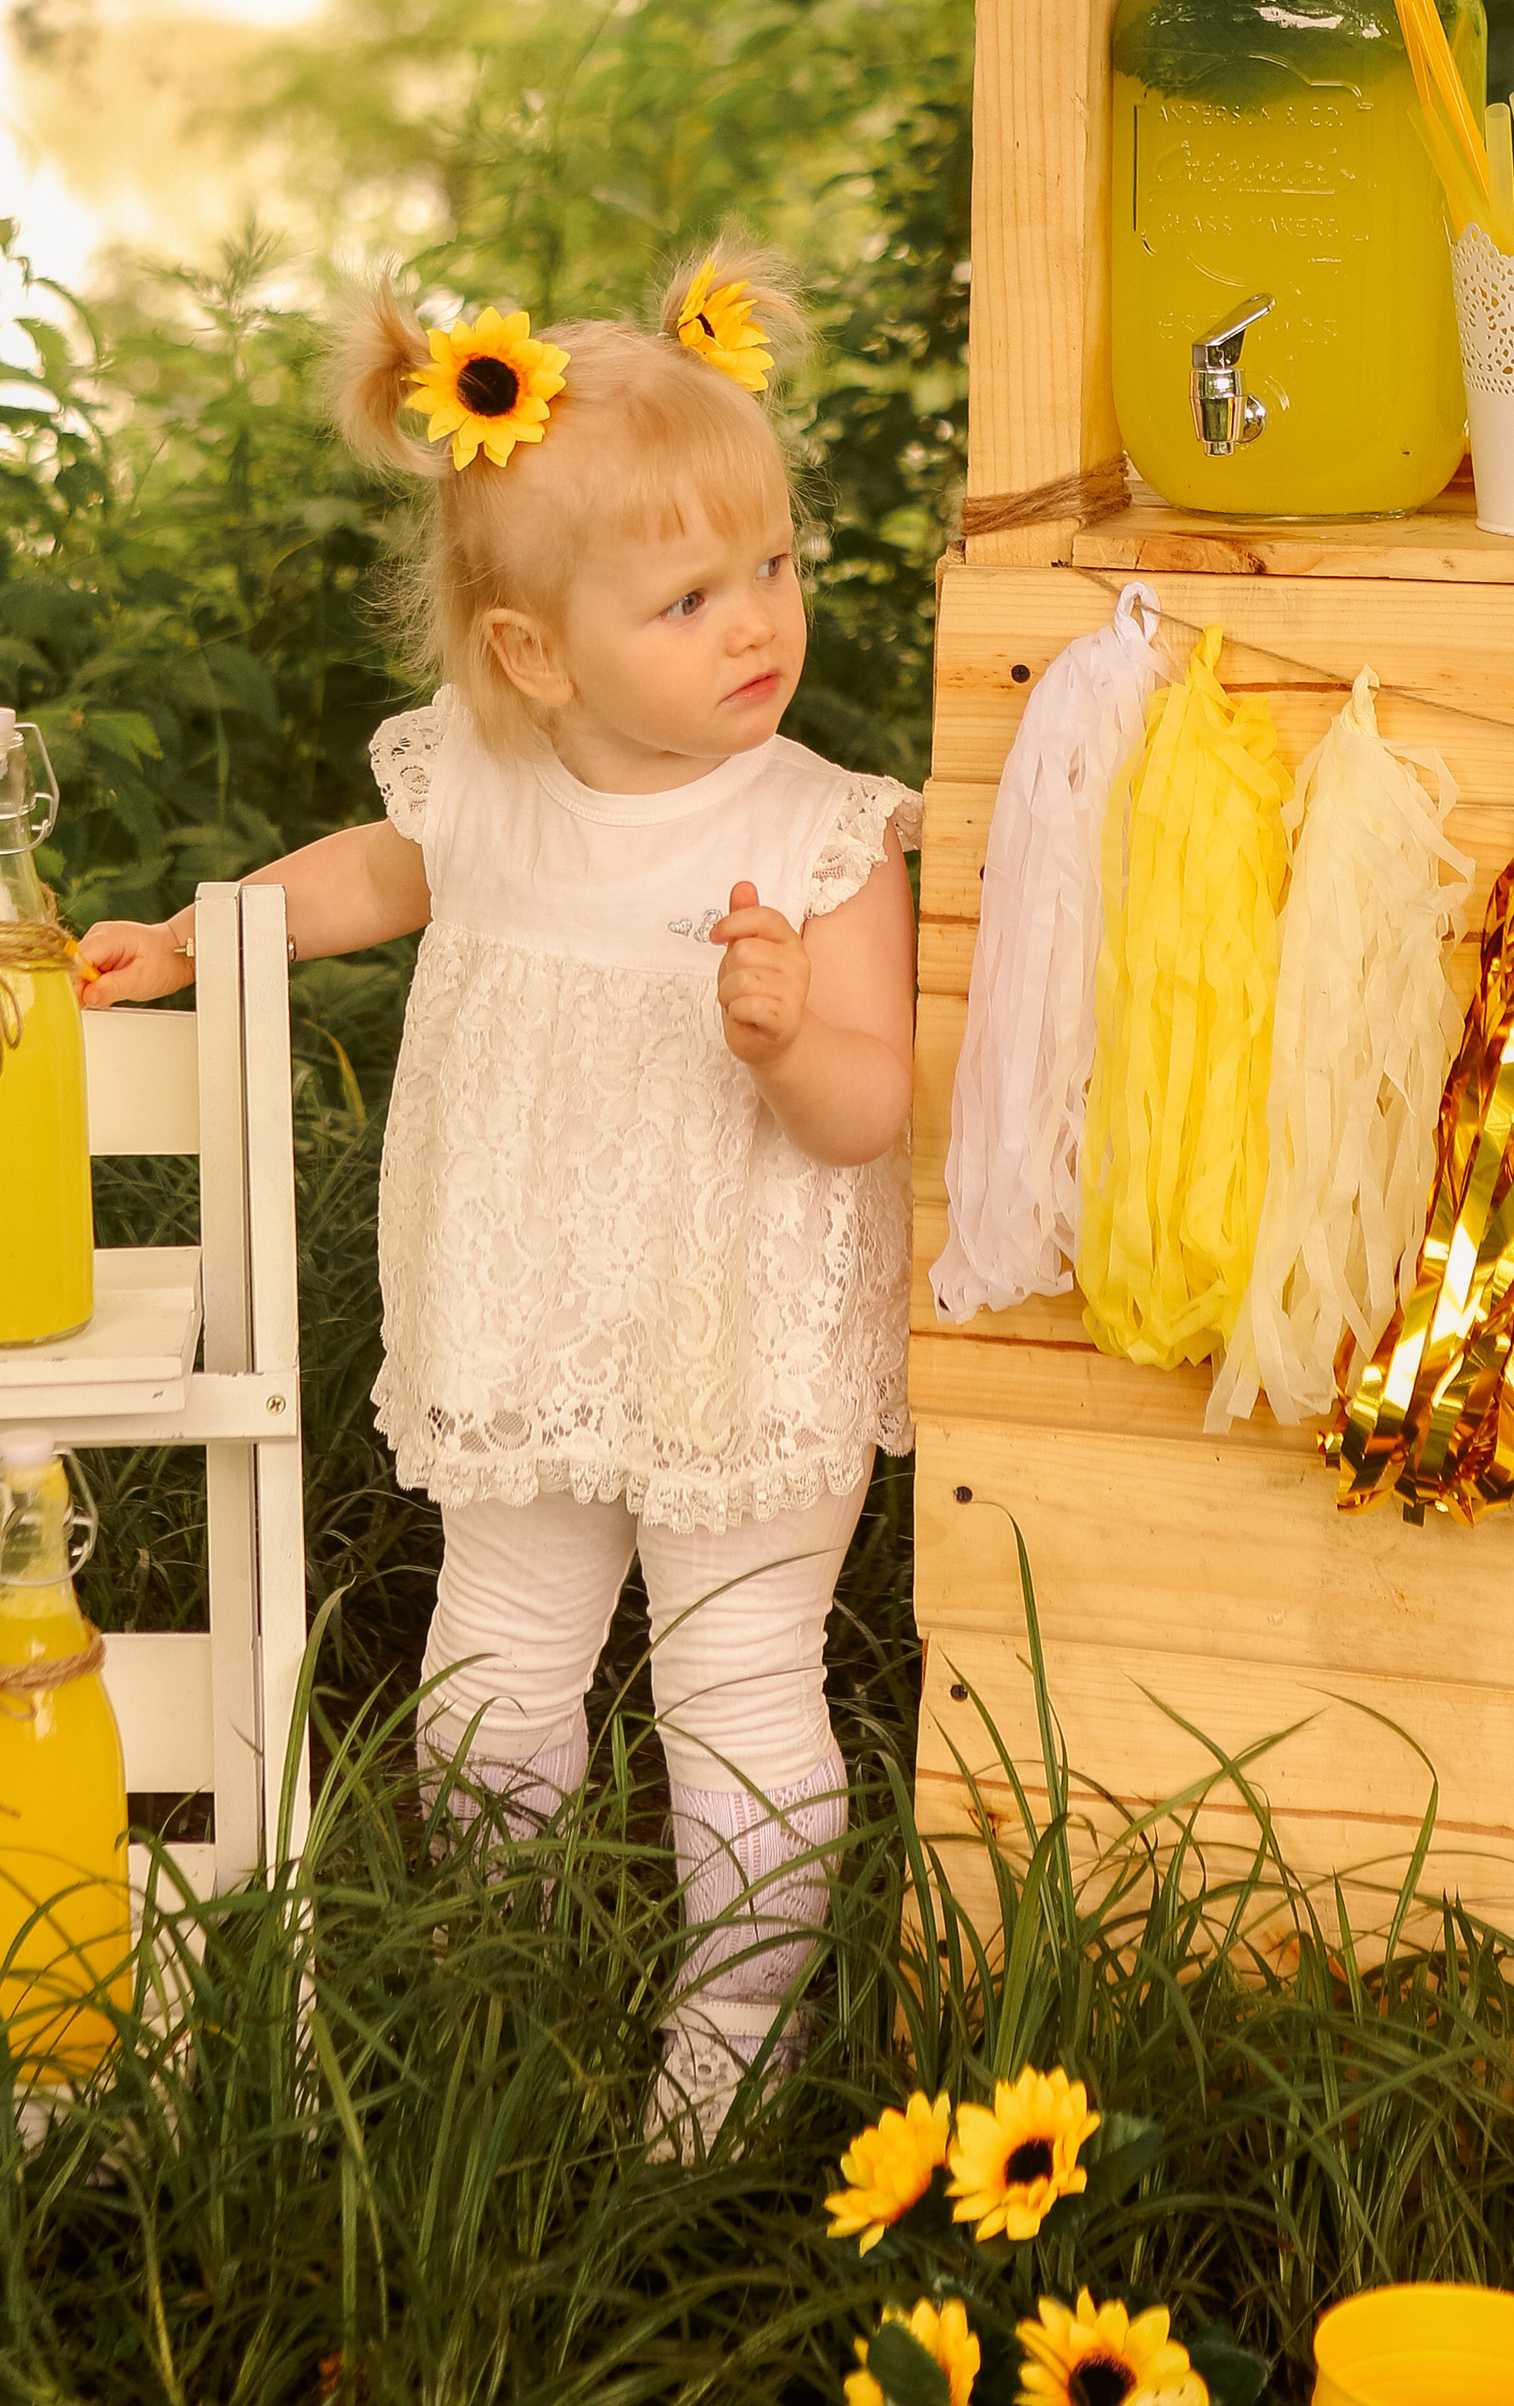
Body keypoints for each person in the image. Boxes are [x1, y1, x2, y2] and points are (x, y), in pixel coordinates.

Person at [76, 243, 918, 2141]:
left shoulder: (824, 834)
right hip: (529, 1302)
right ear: (536, 654)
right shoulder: (487, 780)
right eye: (688, 598)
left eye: (774, 566)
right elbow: (366, 877)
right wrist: (198, 939)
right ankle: (498, 1963)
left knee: (738, 1679)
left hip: (740, 1337)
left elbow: (870, 1110)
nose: (757, 624)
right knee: (499, 1659)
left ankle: (739, 2026)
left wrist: (792, 1041)